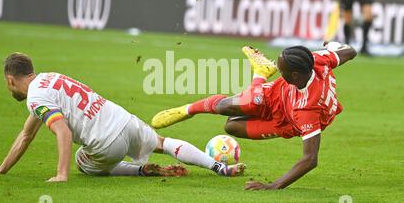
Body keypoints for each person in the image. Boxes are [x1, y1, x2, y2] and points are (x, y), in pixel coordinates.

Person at [0, 53, 245, 182]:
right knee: (162, 143)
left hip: (105, 143)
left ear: (10, 80)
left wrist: (61, 174)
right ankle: (219, 167)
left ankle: (140, 171)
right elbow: (27, 133)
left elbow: (63, 132)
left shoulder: (34, 98)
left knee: (82, 161)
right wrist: (3, 169)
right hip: (122, 119)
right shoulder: (49, 79)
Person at [151, 43, 357, 189]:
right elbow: (350, 51)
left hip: (286, 121)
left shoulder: (307, 111)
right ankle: (189, 109)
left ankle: (260, 72)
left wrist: (274, 186)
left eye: (281, 70)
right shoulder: (317, 60)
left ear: (294, 75)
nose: (280, 71)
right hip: (275, 95)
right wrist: (332, 45)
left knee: (231, 127)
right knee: (232, 106)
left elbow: (310, 159)